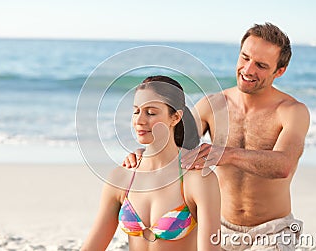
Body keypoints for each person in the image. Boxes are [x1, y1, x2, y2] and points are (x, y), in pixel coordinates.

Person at [123, 23, 310, 250]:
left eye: (261, 65)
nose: (248, 70)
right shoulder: (213, 105)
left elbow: (284, 165)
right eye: (245, 57)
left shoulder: (292, 111)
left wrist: (227, 154)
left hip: (273, 230)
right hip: (218, 227)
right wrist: (143, 154)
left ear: (279, 71)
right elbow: (171, 141)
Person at [81, 76, 222, 251]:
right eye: (136, 111)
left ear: (175, 117)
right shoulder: (122, 178)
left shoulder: (197, 178)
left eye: (151, 112)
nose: (139, 120)